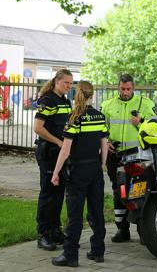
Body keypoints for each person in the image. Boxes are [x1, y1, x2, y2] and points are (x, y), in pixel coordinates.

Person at [50, 81, 108, 267]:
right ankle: (98, 251)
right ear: (92, 95)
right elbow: (104, 144)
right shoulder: (100, 116)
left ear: (78, 94)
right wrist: (103, 164)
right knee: (96, 211)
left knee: (75, 215)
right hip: (95, 170)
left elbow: (66, 150)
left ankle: (70, 255)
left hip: (77, 171)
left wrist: (56, 172)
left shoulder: (74, 118)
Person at [100, 74, 156, 243]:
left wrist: (141, 121)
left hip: (138, 155)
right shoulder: (108, 105)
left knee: (140, 191)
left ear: (133, 88)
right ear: (118, 87)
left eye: (128, 89)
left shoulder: (144, 104)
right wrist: (106, 141)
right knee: (119, 191)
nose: (125, 92)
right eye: (122, 88)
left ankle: (143, 232)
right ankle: (122, 230)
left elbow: (155, 126)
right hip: (115, 155)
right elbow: (102, 128)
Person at [34, 68, 73, 251]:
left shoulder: (64, 100)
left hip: (61, 153)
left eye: (71, 84)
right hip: (48, 152)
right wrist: (58, 142)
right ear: (57, 81)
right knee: (48, 192)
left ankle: (55, 230)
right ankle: (43, 234)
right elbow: (38, 128)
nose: (68, 86)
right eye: (66, 83)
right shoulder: (48, 100)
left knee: (58, 193)